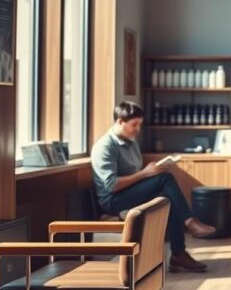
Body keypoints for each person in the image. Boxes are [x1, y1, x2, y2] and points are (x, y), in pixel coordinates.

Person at [91, 101, 217, 273]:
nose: (137, 129)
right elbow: (111, 185)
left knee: (168, 197)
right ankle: (189, 222)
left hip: (129, 193)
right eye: (134, 125)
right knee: (165, 180)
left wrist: (150, 171)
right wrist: (145, 174)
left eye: (140, 125)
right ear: (120, 121)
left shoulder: (131, 142)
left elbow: (137, 175)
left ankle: (178, 254)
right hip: (113, 200)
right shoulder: (105, 146)